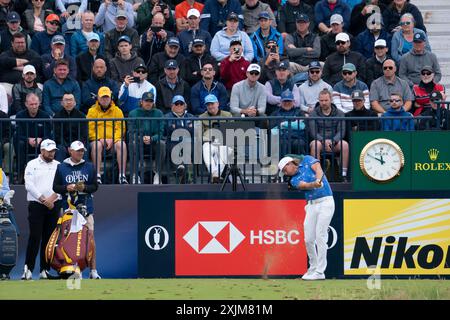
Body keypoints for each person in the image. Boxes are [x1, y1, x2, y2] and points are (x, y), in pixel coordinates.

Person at [278, 154, 334, 280]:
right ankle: (313, 268)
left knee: (321, 236)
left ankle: (320, 272)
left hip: (326, 202)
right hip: (311, 206)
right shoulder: (293, 180)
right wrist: (314, 184)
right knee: (308, 238)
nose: (286, 173)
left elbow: (318, 169)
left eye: (285, 170)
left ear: (290, 164)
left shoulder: (308, 160)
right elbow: (304, 185)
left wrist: (319, 179)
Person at [52, 140, 101, 279]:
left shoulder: (89, 166)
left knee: (90, 238)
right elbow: (55, 187)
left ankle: (93, 270)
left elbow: (95, 187)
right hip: (67, 208)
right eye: (78, 151)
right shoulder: (62, 167)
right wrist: (66, 188)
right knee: (64, 239)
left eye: (82, 151)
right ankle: (66, 268)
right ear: (70, 151)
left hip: (86, 207)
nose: (80, 153)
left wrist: (84, 188)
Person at [21, 139, 61, 280]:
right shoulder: (32, 164)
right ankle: (28, 269)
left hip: (54, 205)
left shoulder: (58, 165)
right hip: (37, 205)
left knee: (49, 239)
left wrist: (51, 199)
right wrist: (43, 199)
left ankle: (45, 270)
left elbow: (62, 185)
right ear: (42, 151)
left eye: (54, 150)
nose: (52, 153)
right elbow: (29, 185)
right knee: (35, 237)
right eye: (49, 151)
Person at [87, 86, 128, 184]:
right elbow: (90, 129)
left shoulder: (117, 111)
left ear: (111, 98)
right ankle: (97, 175)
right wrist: (99, 138)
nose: (105, 99)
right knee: (97, 145)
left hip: (113, 142)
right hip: (97, 141)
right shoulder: (92, 111)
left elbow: (120, 128)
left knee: (121, 144)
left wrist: (113, 139)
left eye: (107, 97)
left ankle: (122, 175)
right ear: (98, 98)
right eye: (102, 97)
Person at [309, 89, 349, 181]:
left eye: (326, 100)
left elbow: (341, 132)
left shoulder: (340, 113)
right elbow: (313, 132)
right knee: (315, 144)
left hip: (334, 143)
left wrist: (333, 141)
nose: (323, 103)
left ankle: (343, 175)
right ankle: (317, 175)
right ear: (318, 100)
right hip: (319, 142)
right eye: (321, 100)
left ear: (331, 100)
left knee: (345, 145)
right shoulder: (313, 113)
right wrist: (323, 141)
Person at [128, 91, 165, 184]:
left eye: (150, 101)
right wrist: (141, 138)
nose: (148, 103)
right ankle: (135, 175)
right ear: (141, 102)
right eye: (146, 101)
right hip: (139, 142)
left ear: (153, 102)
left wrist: (152, 138)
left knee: (162, 144)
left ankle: (157, 174)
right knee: (133, 143)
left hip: (153, 143)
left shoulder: (159, 113)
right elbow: (131, 132)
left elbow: (161, 132)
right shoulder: (133, 113)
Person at [15, 93, 52, 183]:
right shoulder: (20, 116)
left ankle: (47, 175)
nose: (34, 106)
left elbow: (48, 134)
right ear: (26, 104)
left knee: (48, 142)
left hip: (40, 143)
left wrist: (41, 139)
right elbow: (18, 134)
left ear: (39, 103)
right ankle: (20, 174)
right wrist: (28, 139)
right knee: (19, 142)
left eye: (36, 104)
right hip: (25, 143)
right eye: (31, 104)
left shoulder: (45, 116)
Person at [199, 94, 232, 183]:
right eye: (208, 104)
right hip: (209, 142)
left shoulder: (227, 115)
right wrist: (208, 138)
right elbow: (198, 135)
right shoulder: (202, 117)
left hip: (224, 142)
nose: (210, 106)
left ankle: (215, 175)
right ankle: (216, 174)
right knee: (205, 149)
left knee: (223, 149)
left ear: (217, 103)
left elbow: (232, 131)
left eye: (212, 104)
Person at [164, 95, 195, 184]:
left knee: (191, 145)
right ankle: (184, 175)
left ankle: (183, 172)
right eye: (176, 104)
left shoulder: (191, 116)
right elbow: (168, 130)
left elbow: (195, 130)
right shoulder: (167, 116)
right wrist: (186, 128)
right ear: (172, 106)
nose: (179, 106)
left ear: (185, 105)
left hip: (188, 142)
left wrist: (176, 128)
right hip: (173, 141)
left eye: (181, 103)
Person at [270, 90, 307, 156]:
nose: (287, 103)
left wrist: (284, 125)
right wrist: (294, 125)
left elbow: (302, 126)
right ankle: (282, 166)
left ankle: (300, 165)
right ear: (281, 102)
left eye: (289, 101)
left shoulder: (300, 113)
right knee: (282, 143)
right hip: (282, 138)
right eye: (285, 101)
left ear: (293, 101)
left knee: (299, 143)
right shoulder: (275, 114)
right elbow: (273, 131)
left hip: (297, 138)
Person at [53, 93, 88, 162]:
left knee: (83, 150)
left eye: (71, 100)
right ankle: (59, 171)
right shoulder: (57, 117)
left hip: (78, 143)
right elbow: (57, 135)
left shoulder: (82, 116)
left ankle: (84, 172)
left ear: (75, 103)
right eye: (66, 100)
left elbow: (83, 135)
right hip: (63, 144)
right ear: (62, 103)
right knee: (60, 150)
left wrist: (74, 146)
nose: (68, 102)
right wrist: (67, 146)